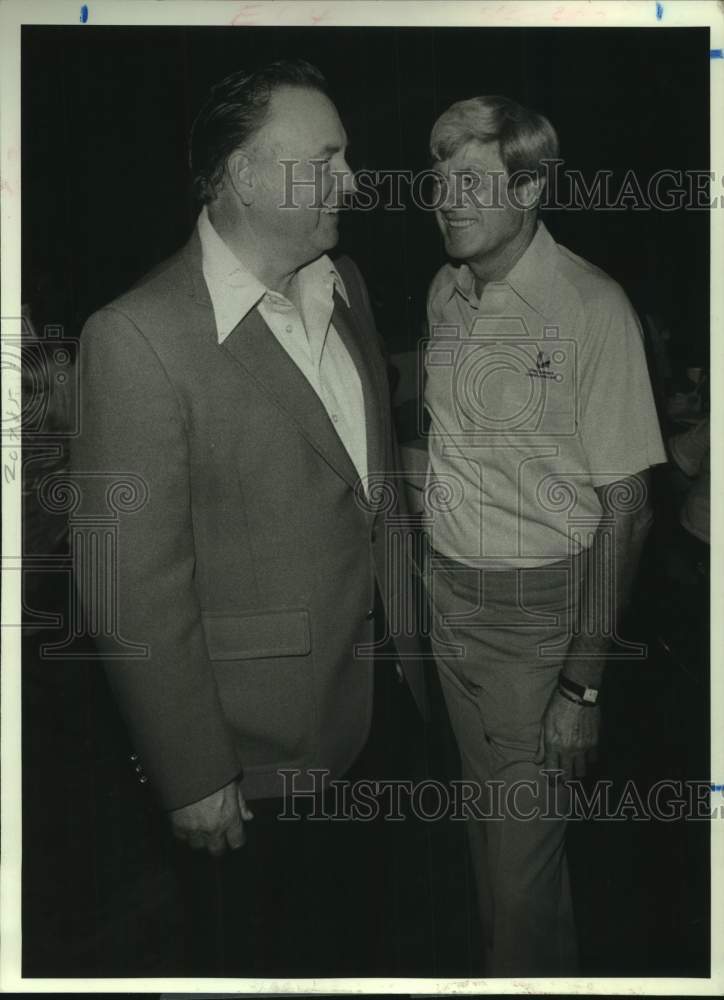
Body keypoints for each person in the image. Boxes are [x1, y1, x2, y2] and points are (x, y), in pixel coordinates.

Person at [71, 59, 427, 976]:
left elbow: (366, 494)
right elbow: (130, 585)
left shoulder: (342, 280)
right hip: (255, 764)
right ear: (244, 176)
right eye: (330, 158)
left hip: (381, 713)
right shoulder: (138, 337)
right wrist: (195, 776)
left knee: (366, 951)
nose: (355, 181)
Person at [422, 95, 667, 976]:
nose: (446, 197)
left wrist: (583, 687)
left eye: (472, 179)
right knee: (491, 841)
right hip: (448, 607)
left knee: (522, 875)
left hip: (540, 626)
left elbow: (630, 505)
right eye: (440, 175)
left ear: (528, 189)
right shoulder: (444, 289)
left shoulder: (591, 305)